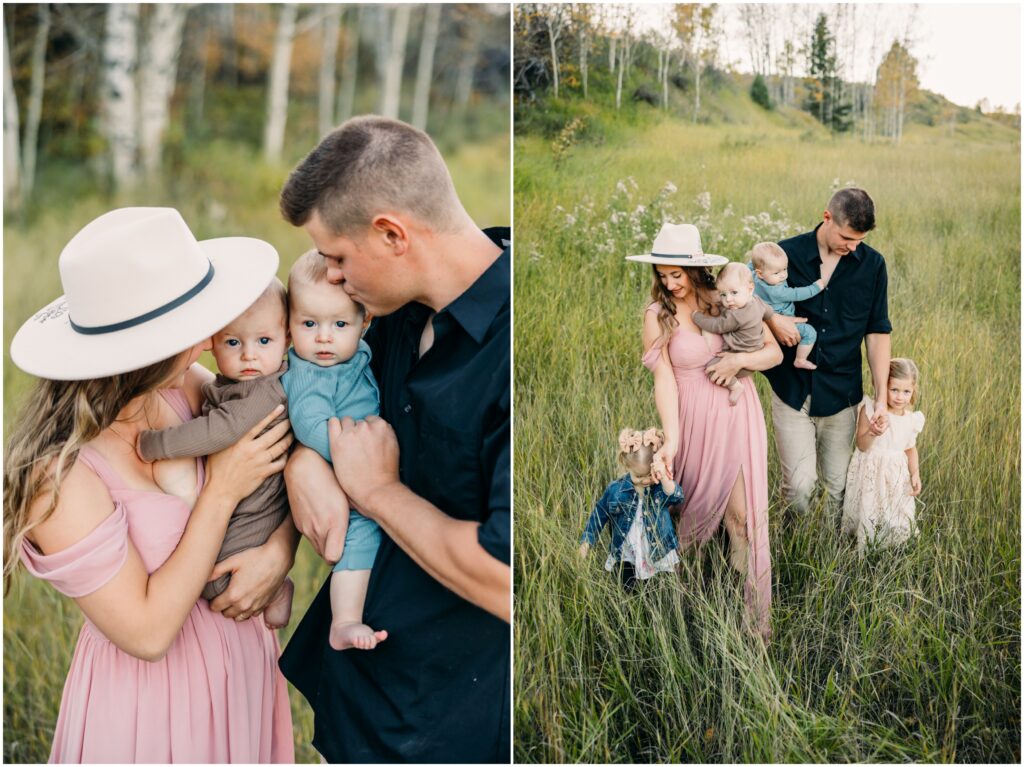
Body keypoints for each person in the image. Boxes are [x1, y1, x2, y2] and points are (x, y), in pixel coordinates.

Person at [3, 207, 296, 762]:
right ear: (142, 355)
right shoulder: (61, 478)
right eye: (195, 329)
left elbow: (278, 455)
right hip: (154, 703)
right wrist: (220, 492)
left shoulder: (182, 388)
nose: (213, 340)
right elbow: (146, 634)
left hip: (242, 666)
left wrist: (278, 551)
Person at [276, 115, 511, 762]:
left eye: (337, 257)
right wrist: (304, 462)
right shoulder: (390, 310)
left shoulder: (516, 354)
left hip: (441, 722)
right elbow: (334, 403)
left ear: (391, 233)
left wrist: (374, 490)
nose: (330, 278)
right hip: (357, 692)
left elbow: (510, 578)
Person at [627, 222, 782, 639]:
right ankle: (685, 609)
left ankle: (751, 616)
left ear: (695, 271)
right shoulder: (656, 314)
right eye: (662, 275)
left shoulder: (726, 299)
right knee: (689, 516)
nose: (669, 283)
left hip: (737, 413)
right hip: (692, 416)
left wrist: (736, 363)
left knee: (742, 518)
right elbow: (664, 379)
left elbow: (772, 352)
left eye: (676, 274)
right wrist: (672, 439)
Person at [136, 279, 294, 629]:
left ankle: (279, 589)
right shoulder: (234, 383)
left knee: (218, 581)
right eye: (233, 342)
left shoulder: (265, 392)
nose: (249, 355)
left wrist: (157, 444)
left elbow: (219, 430)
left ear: (288, 339)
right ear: (211, 344)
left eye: (264, 341)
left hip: (258, 507)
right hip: (248, 499)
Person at [754, 188, 892, 515]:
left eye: (859, 240)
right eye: (847, 237)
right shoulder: (785, 253)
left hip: (843, 392)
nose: (852, 247)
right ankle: (793, 550)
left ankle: (828, 554)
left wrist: (882, 398)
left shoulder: (872, 265)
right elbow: (739, 292)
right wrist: (772, 319)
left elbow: (877, 332)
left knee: (836, 488)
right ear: (826, 217)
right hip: (791, 388)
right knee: (799, 487)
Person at [280, 249, 385, 651]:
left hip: (358, 463)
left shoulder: (350, 354)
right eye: (309, 323)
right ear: (289, 326)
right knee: (362, 533)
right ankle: (344, 620)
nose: (323, 337)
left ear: (365, 323)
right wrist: (354, 460)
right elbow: (308, 421)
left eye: (339, 323)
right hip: (345, 473)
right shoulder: (310, 372)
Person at [578, 428, 683, 590]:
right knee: (628, 587)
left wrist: (663, 477)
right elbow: (598, 516)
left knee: (660, 589)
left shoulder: (658, 488)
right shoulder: (615, 491)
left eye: (650, 474)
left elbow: (676, 496)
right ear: (627, 467)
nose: (646, 480)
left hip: (657, 551)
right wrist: (586, 542)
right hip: (628, 553)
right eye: (639, 477)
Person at [842, 358, 925, 554]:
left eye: (906, 391)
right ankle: (863, 544)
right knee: (869, 508)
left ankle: (893, 547)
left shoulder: (910, 419)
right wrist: (872, 432)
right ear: (881, 386)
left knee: (896, 512)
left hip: (895, 476)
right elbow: (861, 445)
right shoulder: (870, 409)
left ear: (913, 390)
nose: (900, 397)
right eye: (894, 389)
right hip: (871, 471)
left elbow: (910, 448)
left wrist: (915, 473)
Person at [692, 262, 775, 405]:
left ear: (750, 288)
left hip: (739, 361)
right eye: (723, 294)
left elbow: (716, 326)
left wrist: (697, 317)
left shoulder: (736, 316)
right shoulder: (757, 301)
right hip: (755, 353)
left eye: (734, 293)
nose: (728, 299)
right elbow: (769, 312)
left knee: (711, 368)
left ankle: (736, 386)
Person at [748, 241, 824, 370]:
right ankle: (800, 359)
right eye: (776, 273)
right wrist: (816, 287)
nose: (783, 275)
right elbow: (797, 294)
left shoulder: (753, 274)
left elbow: (750, 265)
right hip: (783, 322)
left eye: (784, 269)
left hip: (764, 319)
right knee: (810, 333)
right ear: (760, 273)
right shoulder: (776, 291)